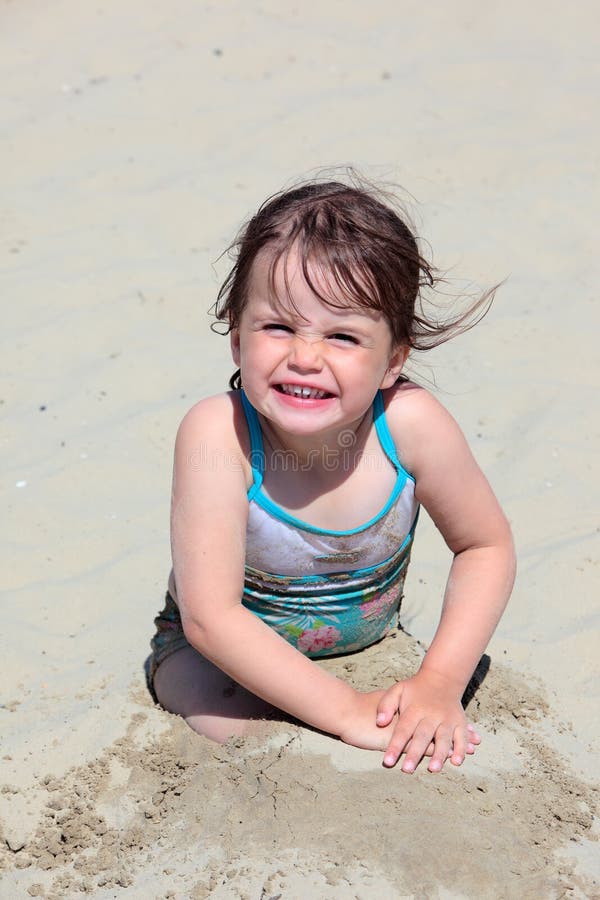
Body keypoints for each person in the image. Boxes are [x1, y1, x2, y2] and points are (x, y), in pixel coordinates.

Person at [148, 176, 516, 774]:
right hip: (217, 658)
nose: (305, 357)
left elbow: (486, 546)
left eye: (343, 336)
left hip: (368, 645)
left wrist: (440, 681)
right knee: (238, 725)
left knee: (421, 735)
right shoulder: (220, 435)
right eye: (278, 327)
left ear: (394, 359)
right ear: (236, 336)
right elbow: (211, 620)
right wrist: (346, 712)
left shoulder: (410, 425)